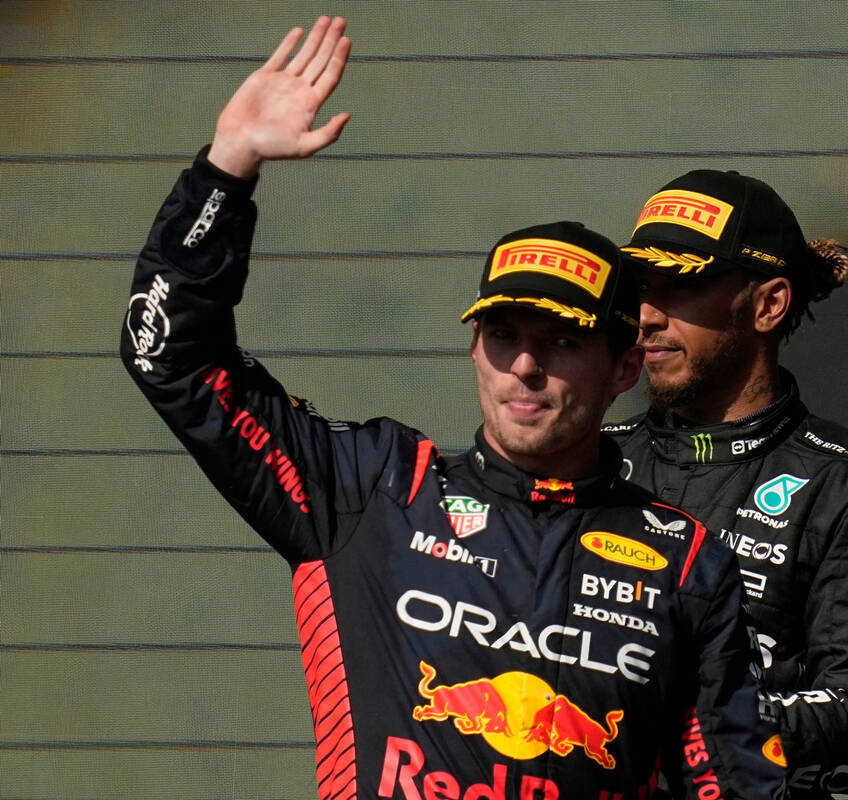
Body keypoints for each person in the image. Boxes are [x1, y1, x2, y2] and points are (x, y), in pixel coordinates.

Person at [120, 18, 784, 800]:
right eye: (502, 335)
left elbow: (736, 786)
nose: (525, 366)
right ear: (474, 350)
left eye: (561, 342)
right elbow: (169, 353)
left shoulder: (685, 560)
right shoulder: (370, 488)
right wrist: (228, 168)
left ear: (624, 367)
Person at [605, 169, 848, 798]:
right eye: (640, 288)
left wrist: (671, 717)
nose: (647, 316)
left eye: (681, 286)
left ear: (768, 304)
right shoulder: (589, 463)